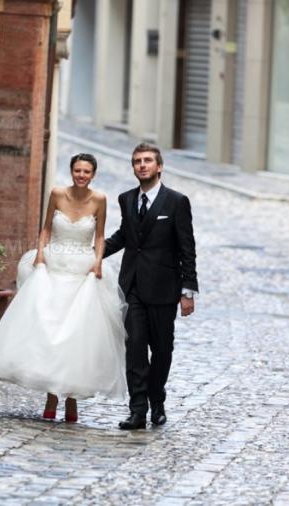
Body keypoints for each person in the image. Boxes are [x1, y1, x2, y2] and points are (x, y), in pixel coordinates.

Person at [0, 153, 127, 423]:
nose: (81, 175)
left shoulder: (100, 199)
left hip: (82, 269)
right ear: (71, 172)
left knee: (76, 334)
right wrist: (39, 254)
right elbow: (46, 228)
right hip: (54, 265)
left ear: (93, 175)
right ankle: (50, 397)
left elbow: (101, 235)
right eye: (77, 170)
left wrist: (97, 262)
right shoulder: (57, 194)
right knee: (48, 329)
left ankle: (71, 401)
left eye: (86, 172)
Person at [104, 143, 198, 430]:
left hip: (163, 288)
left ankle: (157, 399)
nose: (141, 165)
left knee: (162, 350)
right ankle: (138, 409)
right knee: (134, 348)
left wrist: (188, 291)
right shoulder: (126, 199)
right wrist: (92, 252)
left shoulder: (176, 202)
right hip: (131, 287)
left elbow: (187, 249)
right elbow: (124, 235)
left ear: (159, 167)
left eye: (147, 161)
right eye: (136, 161)